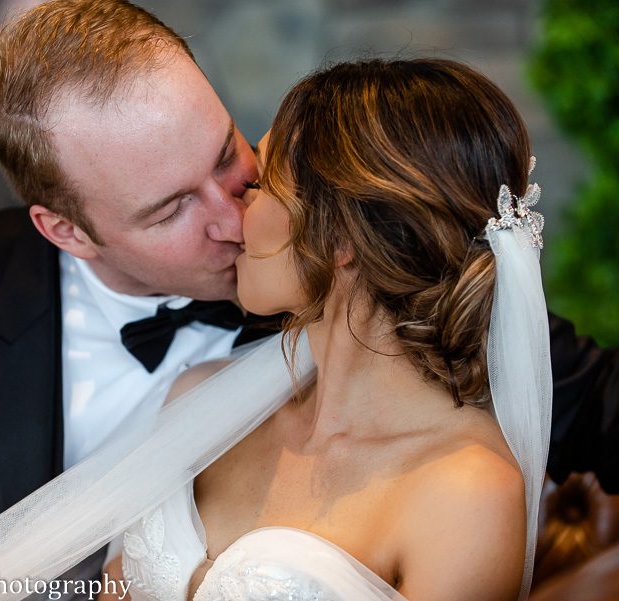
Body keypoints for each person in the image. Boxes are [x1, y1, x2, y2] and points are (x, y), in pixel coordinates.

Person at [0, 0, 619, 577]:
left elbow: (613, 402)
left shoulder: (357, 281)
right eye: (171, 209)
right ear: (65, 229)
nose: (237, 216)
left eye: (230, 153)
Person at [100, 57, 547, 601]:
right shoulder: (201, 398)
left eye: (262, 185)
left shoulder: (466, 493)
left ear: (340, 240)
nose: (236, 213)